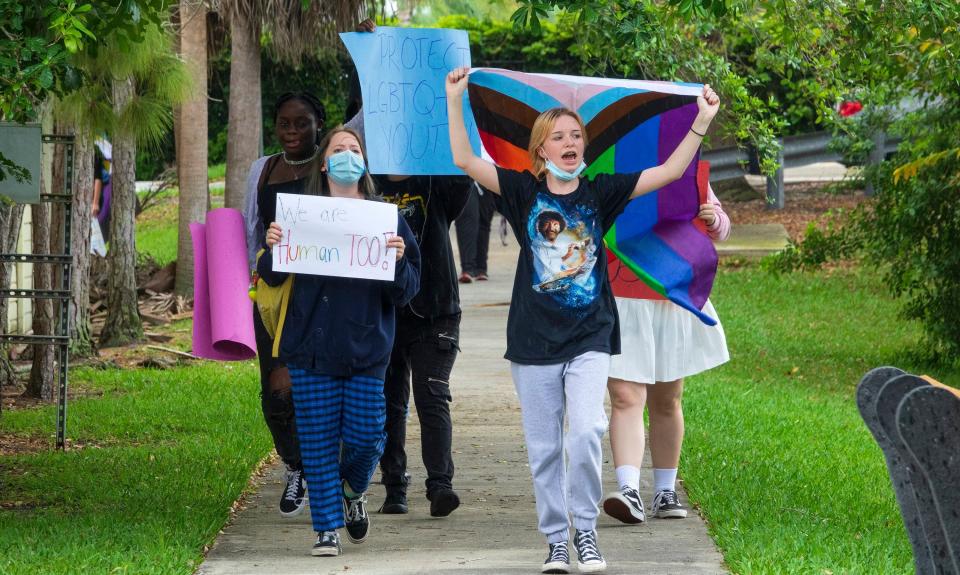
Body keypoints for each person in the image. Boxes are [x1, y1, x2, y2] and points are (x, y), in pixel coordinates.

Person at [445, 66, 719, 575]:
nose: (569, 142)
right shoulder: (521, 191)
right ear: (541, 150)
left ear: (583, 146)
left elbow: (668, 172)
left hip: (590, 335)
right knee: (545, 447)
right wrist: (455, 96)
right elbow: (464, 158)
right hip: (532, 342)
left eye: (575, 135)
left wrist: (701, 120)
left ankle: (586, 534)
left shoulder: (601, 192)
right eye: (558, 137)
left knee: (587, 430)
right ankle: (556, 540)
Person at [259, 126, 420, 557]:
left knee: (367, 437)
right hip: (311, 347)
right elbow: (271, 275)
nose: (348, 155)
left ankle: (353, 490)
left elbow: (406, 291)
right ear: (325, 163)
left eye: (355, 149)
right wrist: (272, 245)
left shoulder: (388, 219)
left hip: (368, 347)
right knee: (317, 439)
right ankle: (326, 529)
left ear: (364, 163)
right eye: (339, 149)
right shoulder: (300, 215)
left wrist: (399, 260)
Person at [601, 183, 730, 524]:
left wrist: (713, 218)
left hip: (670, 292)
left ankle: (665, 490)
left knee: (667, 397)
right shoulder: (611, 161)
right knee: (626, 396)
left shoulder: (682, 163)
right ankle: (629, 490)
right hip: (622, 292)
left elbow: (720, 224)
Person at [243, 92, 327, 520]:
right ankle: (295, 465)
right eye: (284, 123)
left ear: (319, 124)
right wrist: (247, 284)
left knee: (319, 385)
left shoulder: (332, 163)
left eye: (302, 123)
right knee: (277, 391)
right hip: (274, 293)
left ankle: (324, 468)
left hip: (323, 294)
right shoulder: (263, 169)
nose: (292, 132)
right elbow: (251, 232)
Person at [374, 173, 473, 518]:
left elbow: (463, 176)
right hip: (384, 309)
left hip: (436, 308)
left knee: (431, 396)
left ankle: (440, 485)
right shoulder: (367, 184)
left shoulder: (437, 181)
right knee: (390, 402)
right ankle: (394, 485)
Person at [454, 181, 497, 282]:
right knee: (466, 218)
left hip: (489, 171)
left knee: (484, 220)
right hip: (463, 173)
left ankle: (481, 268)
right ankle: (467, 268)